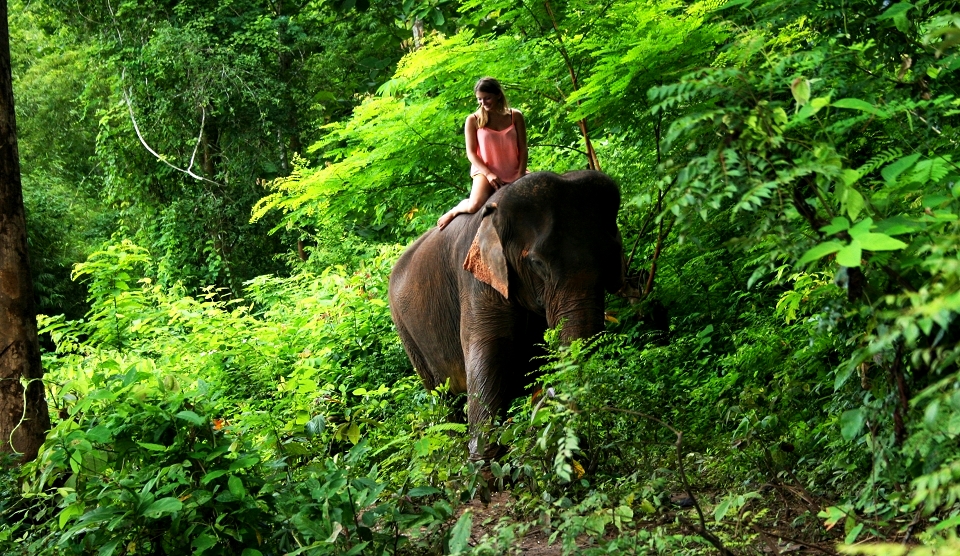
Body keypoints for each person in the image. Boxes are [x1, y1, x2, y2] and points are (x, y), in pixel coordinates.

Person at [437, 77, 528, 230]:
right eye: (479, 99)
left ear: (498, 95)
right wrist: (489, 174)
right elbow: (471, 153)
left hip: (513, 169)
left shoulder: (515, 115)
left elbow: (523, 148)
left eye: (487, 98)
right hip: (485, 170)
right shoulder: (473, 120)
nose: (483, 103)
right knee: (475, 205)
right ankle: (455, 210)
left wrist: (520, 174)